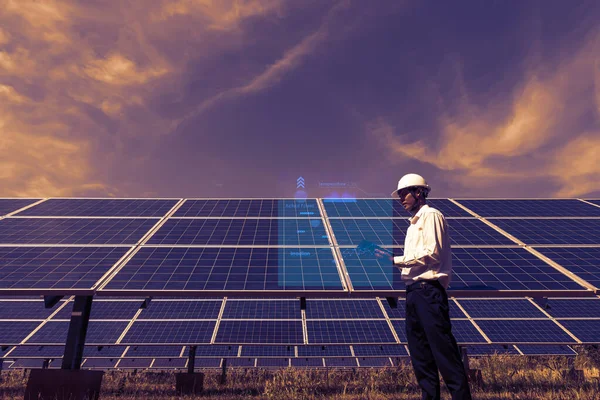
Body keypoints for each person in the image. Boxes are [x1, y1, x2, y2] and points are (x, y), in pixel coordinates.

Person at [375, 173, 472, 400]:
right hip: (414, 294)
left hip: (429, 293)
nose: (401, 200)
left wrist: (394, 260)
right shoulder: (412, 226)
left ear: (418, 192)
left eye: (404, 194)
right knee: (421, 358)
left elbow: (432, 254)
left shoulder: (431, 216)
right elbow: (416, 262)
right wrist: (390, 258)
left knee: (444, 354)